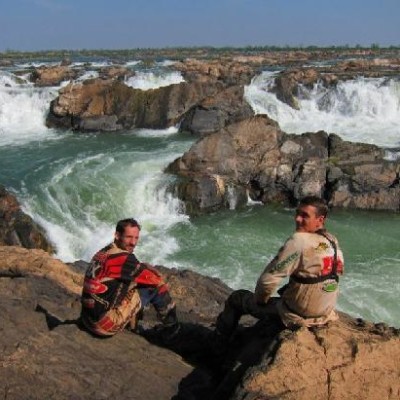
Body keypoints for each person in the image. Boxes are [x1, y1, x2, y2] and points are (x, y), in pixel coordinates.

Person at [215, 196, 344, 339]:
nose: (297, 219)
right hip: (325, 312)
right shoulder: (332, 240)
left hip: (298, 315)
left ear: (320, 220)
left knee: (237, 298)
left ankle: (220, 339)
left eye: (304, 216)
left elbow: (268, 281)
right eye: (297, 213)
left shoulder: (298, 241)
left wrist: (260, 301)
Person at [80, 218, 179, 338]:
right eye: (128, 237)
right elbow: (155, 279)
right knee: (155, 287)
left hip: (86, 320)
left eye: (136, 238)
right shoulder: (123, 258)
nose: (133, 242)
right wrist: (149, 269)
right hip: (103, 325)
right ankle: (172, 327)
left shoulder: (103, 252)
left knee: (135, 283)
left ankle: (133, 326)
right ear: (117, 235)